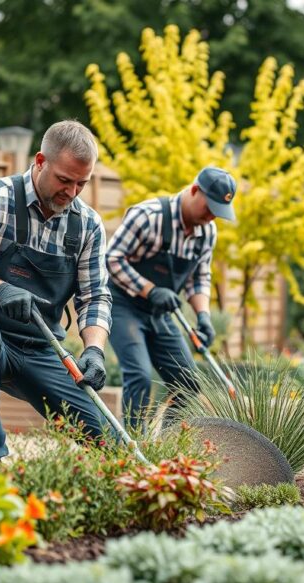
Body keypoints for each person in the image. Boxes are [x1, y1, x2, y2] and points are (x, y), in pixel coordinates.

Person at [0, 120, 114, 462]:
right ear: (40, 161)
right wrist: (0, 290)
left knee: (106, 439)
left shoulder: (86, 225)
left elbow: (95, 296)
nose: (71, 193)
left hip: (41, 347)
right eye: (64, 180)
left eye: (81, 184)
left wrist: (95, 350)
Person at [105, 166, 237, 428]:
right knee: (140, 376)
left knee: (187, 382)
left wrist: (203, 317)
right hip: (123, 305)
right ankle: (130, 444)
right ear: (194, 190)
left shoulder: (207, 232)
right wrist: (150, 290)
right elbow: (111, 258)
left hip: (160, 312)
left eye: (217, 213)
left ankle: (165, 444)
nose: (211, 216)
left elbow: (198, 278)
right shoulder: (148, 216)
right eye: (209, 207)